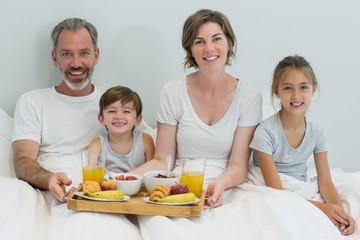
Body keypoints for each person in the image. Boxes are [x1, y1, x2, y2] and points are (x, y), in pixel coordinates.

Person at [10, 18, 142, 240]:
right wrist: (49, 178)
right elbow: (23, 161)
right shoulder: (33, 101)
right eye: (66, 54)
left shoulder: (115, 103)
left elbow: (146, 144)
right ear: (54, 58)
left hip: (100, 192)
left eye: (84, 53)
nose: (76, 63)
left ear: (96, 56)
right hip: (49, 191)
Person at [132, 8, 262, 207]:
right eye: (199, 42)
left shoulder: (249, 96)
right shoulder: (172, 92)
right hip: (179, 187)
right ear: (190, 49)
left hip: (227, 186)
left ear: (229, 42)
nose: (209, 48)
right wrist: (122, 178)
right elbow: (161, 160)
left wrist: (221, 184)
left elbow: (238, 165)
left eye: (216, 39)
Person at [249, 55, 356, 235]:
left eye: (303, 87)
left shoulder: (317, 133)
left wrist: (338, 212)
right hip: (276, 190)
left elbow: (326, 182)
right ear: (277, 91)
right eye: (288, 88)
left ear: (313, 90)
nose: (296, 96)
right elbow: (277, 192)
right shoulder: (265, 132)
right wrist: (322, 209)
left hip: (299, 186)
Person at [88, 85, 154, 173]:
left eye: (126, 111)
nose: (119, 116)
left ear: (137, 120)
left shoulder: (145, 140)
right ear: (101, 119)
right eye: (112, 111)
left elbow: (152, 174)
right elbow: (90, 176)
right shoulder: (97, 144)